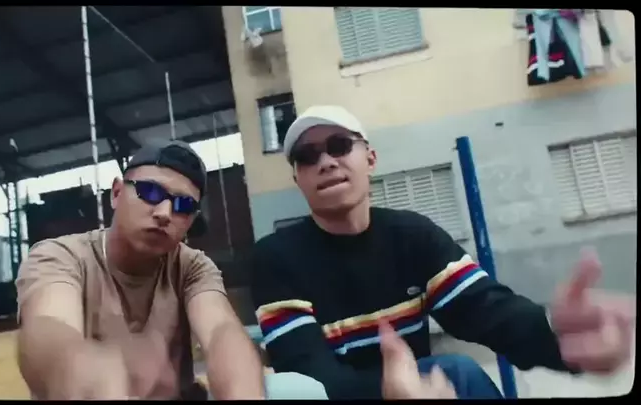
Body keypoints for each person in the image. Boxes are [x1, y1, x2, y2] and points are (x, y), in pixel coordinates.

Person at [250, 105, 636, 399]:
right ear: (297, 177)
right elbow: (309, 375)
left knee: (456, 374)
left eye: (339, 145)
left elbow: (484, 309)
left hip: (429, 392)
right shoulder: (276, 258)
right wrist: (391, 392)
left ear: (370, 158)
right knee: (455, 371)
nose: (326, 162)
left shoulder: (411, 236)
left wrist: (559, 338)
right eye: (307, 156)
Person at [15, 140, 306, 400]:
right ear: (116, 193)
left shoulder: (192, 266)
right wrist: (84, 372)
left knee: (297, 389)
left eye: (183, 205)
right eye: (150, 191)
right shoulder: (61, 256)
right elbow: (49, 327)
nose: (165, 213)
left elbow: (221, 331)